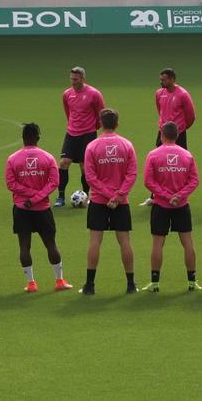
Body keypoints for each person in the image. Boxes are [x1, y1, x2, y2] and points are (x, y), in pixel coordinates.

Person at [5, 123, 73, 292]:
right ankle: (59, 281)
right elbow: (54, 183)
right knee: (51, 244)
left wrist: (29, 196)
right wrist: (36, 197)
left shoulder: (13, 159)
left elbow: (11, 184)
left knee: (24, 246)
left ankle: (31, 283)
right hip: (42, 209)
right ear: (37, 138)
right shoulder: (48, 158)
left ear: (23, 138)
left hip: (21, 209)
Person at [81, 109, 138, 295]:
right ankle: (131, 285)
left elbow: (90, 177)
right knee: (125, 241)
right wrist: (118, 195)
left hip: (98, 200)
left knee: (95, 240)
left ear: (100, 123)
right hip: (121, 202)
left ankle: (90, 285)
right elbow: (131, 174)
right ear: (117, 124)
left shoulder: (92, 146)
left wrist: (107, 195)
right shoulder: (127, 145)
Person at [141, 122, 200, 293]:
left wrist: (166, 196)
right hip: (182, 205)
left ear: (162, 135)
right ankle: (192, 282)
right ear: (177, 135)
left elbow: (148, 181)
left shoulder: (153, 155)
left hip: (161, 205)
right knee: (188, 242)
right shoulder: (187, 155)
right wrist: (179, 196)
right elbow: (194, 180)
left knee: (158, 244)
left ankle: (155, 283)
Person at [143, 68, 195, 208]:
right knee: (159, 164)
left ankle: (181, 196)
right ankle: (155, 196)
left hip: (178, 134)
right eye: (161, 79)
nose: (161, 82)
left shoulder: (183, 94)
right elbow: (160, 110)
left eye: (164, 79)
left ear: (172, 79)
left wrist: (179, 130)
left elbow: (191, 116)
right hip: (162, 133)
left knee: (179, 166)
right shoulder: (159, 93)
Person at [57, 66, 105, 206]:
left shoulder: (94, 94)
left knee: (85, 167)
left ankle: (86, 196)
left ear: (83, 79)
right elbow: (68, 112)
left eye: (76, 79)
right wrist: (73, 125)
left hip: (88, 135)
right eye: (71, 79)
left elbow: (101, 114)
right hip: (71, 133)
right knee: (64, 163)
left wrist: (94, 128)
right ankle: (60, 197)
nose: (73, 82)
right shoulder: (67, 94)